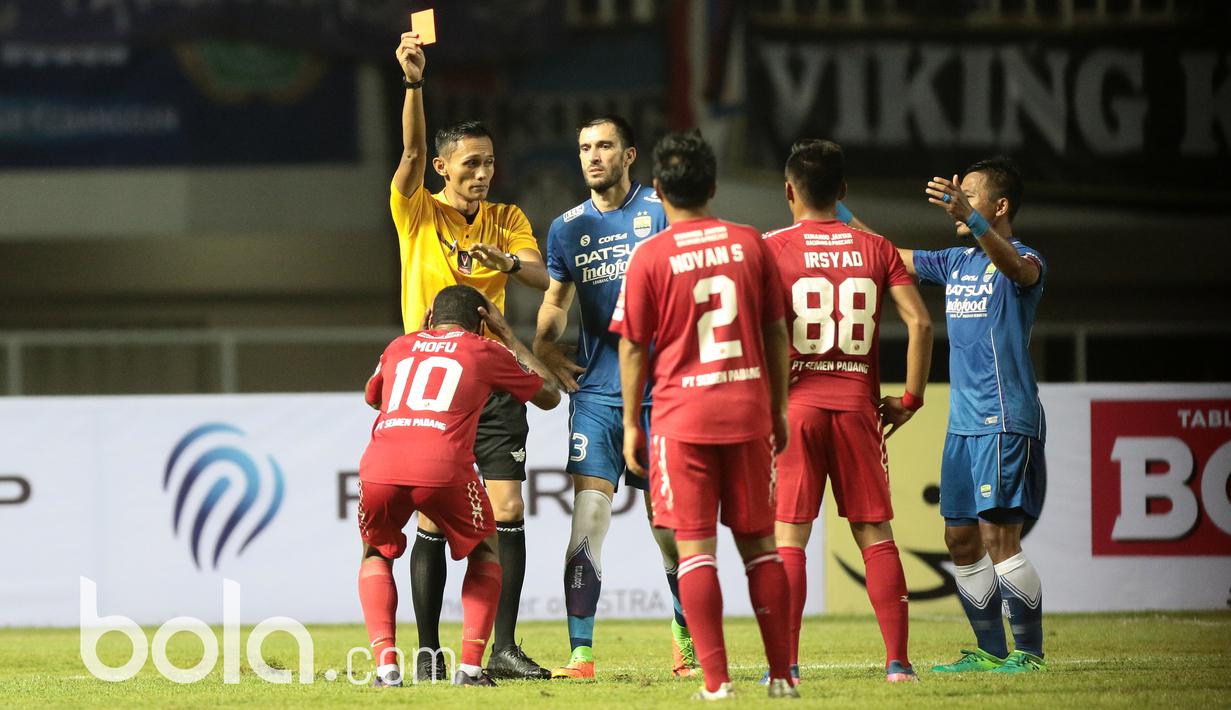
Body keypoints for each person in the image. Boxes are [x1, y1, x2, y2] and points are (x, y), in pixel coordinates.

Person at [612, 129, 798, 700]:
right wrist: (778, 406)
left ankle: (716, 684)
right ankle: (782, 678)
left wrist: (629, 423)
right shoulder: (750, 243)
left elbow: (634, 345)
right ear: (713, 185)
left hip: (680, 418)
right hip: (746, 412)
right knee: (761, 546)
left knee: (695, 550)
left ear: (659, 190)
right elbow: (775, 329)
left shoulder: (649, 256)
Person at [391, 32, 553, 680]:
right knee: (432, 519)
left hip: (491, 381)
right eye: (470, 164)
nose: (481, 173)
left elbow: (540, 275)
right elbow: (407, 147)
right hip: (433, 387)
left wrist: (507, 262)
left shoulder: (507, 219)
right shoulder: (416, 212)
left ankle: (505, 647)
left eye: (488, 162)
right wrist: (413, 83)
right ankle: (430, 651)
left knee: (508, 508)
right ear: (441, 168)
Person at [760, 139, 933, 683]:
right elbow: (922, 324)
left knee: (789, 537)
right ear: (844, 191)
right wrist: (910, 398)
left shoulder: (771, 248)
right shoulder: (877, 248)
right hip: (859, 406)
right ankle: (898, 664)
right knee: (874, 533)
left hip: (796, 410)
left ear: (789, 191)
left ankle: (785, 666)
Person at [532, 115, 696, 679]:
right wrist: (545, 346)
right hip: (598, 393)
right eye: (584, 148)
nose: (593, 156)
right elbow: (555, 300)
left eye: (604, 146)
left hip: (663, 395)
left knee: (667, 529)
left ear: (630, 155)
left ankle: (684, 633)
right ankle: (580, 654)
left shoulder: (661, 209)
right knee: (588, 517)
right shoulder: (566, 228)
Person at [356, 286, 561, 688]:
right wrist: (508, 337)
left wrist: (417, 338)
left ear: (430, 317)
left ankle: (386, 669)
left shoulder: (399, 345)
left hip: (379, 466)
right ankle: (469, 668)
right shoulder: (484, 350)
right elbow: (551, 395)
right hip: (443, 467)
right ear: (484, 322)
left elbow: (372, 397)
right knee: (487, 549)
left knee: (375, 552)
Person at [897, 157, 1048, 674]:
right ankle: (991, 651)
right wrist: (830, 213)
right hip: (962, 424)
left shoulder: (1025, 260)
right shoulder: (956, 262)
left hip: (1003, 419)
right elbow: (886, 256)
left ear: (999, 207)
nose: (955, 203)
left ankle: (1029, 656)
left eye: (970, 195)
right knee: (959, 538)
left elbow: (1015, 269)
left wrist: (974, 220)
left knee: (998, 538)